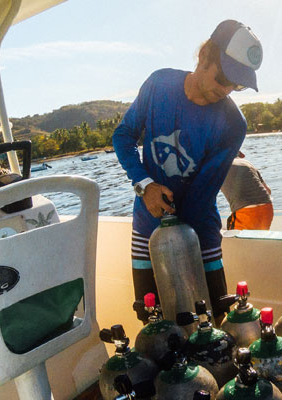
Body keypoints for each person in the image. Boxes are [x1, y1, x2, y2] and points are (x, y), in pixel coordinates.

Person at [112, 20, 262, 323]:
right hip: (146, 226)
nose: (227, 90)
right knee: (152, 318)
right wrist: (145, 184)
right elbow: (123, 137)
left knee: (212, 321)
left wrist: (175, 240)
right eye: (223, 78)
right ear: (205, 56)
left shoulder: (234, 124)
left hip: (199, 233)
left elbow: (201, 195)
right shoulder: (158, 85)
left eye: (238, 84)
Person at [221, 151, 273, 230]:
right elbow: (268, 190)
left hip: (245, 212)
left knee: (230, 236)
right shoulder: (247, 163)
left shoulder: (219, 166)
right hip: (267, 209)